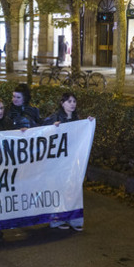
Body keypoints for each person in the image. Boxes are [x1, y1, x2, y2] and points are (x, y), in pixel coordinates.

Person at [43, 92, 93, 231]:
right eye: (69, 101)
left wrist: (88, 124)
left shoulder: (77, 119)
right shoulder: (55, 118)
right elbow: (43, 132)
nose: (72, 104)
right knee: (59, 189)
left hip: (72, 160)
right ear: (62, 103)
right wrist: (53, 128)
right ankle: (57, 219)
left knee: (73, 188)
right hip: (59, 162)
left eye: (74, 101)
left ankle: (74, 219)